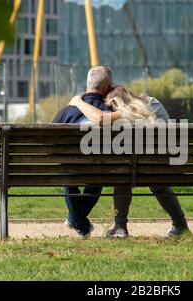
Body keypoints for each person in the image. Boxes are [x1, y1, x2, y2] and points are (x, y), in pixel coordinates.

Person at [69, 86, 190, 238]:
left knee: (122, 174)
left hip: (133, 169)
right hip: (165, 165)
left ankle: (120, 228)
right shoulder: (153, 103)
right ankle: (180, 224)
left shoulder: (125, 114)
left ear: (115, 101)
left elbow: (100, 119)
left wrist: (78, 101)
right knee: (153, 178)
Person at [52, 66, 113, 237]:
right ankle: (78, 221)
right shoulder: (112, 112)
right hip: (100, 168)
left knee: (67, 173)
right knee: (99, 174)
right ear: (106, 87)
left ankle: (77, 221)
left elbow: (50, 144)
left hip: (70, 169)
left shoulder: (67, 111)